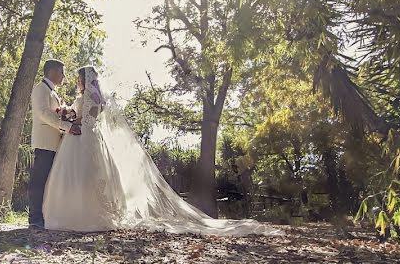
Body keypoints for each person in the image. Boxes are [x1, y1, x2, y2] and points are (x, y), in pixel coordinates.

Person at [42, 65, 279, 237]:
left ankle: (84, 214)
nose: (75, 82)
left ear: (84, 78)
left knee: (84, 174)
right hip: (87, 136)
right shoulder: (92, 96)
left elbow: (89, 117)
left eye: (78, 78)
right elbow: (91, 114)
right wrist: (71, 114)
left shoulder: (89, 96)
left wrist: (73, 118)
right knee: (88, 175)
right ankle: (85, 211)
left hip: (82, 136)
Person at [28, 59, 81, 231]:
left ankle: (45, 217)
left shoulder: (53, 93)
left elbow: (55, 114)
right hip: (44, 143)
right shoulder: (40, 89)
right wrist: (67, 126)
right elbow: (43, 113)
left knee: (49, 182)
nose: (64, 77)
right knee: (39, 181)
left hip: (55, 144)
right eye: (62, 72)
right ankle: (34, 219)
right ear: (52, 71)